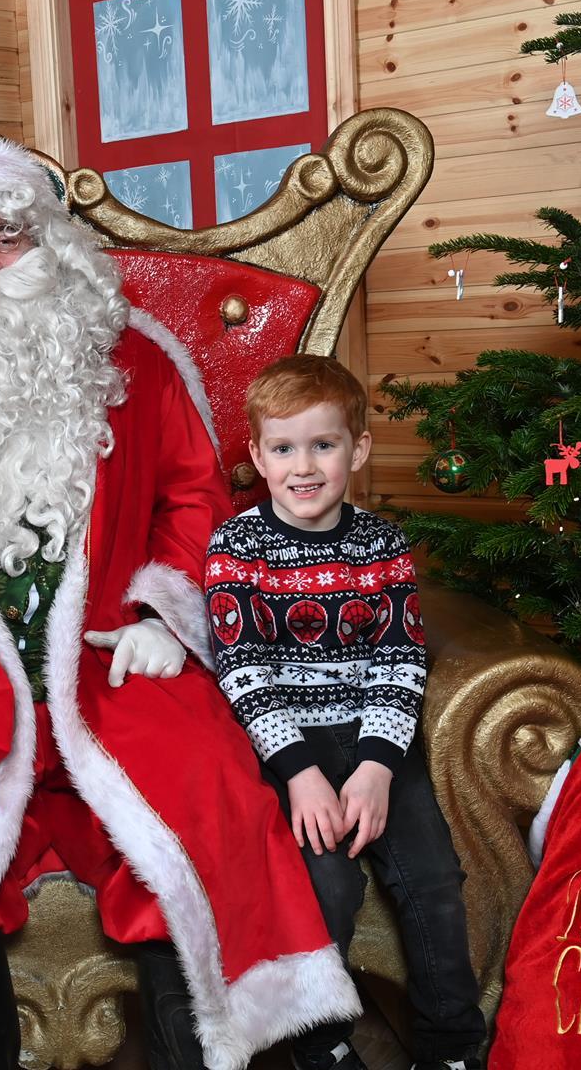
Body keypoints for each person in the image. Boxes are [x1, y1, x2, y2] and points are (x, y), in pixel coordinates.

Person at [0, 137, 357, 1070]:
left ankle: (207, 1051)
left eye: (9, 238)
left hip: (111, 653)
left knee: (202, 783)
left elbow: (193, 496)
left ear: (51, 244)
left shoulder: (135, 358)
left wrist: (160, 611)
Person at [206, 354, 486, 1070]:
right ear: (258, 459)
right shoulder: (238, 547)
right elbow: (243, 669)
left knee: (433, 881)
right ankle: (317, 1042)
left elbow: (400, 660)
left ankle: (450, 1047)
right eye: (284, 448)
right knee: (325, 883)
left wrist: (376, 767)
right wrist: (299, 772)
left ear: (357, 449)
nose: (304, 466)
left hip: (372, 738)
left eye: (323, 445)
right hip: (284, 745)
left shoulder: (381, 544)